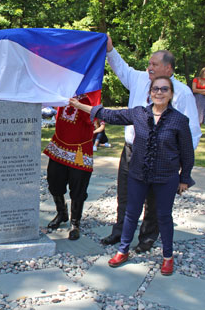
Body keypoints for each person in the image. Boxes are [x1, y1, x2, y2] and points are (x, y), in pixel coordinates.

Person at [70, 76, 194, 275]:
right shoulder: (139, 114)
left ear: (171, 94)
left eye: (164, 89)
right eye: (155, 89)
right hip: (138, 174)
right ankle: (123, 250)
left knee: (163, 217)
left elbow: (187, 152)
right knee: (131, 213)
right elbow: (109, 115)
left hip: (166, 177)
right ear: (150, 92)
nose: (159, 92)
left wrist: (185, 178)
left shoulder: (179, 120)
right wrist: (80, 105)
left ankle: (168, 257)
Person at [100, 35, 201, 253]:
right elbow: (121, 68)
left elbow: (192, 132)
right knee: (125, 194)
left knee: (154, 201)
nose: (149, 68)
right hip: (131, 152)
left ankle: (147, 237)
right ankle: (120, 232)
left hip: (162, 157)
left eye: (154, 64)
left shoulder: (182, 93)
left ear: (169, 69)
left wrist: (183, 165)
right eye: (149, 63)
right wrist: (110, 49)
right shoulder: (139, 79)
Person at [43, 92, 99, 240]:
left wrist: (81, 103)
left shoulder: (92, 95)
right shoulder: (63, 89)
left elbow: (94, 115)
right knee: (53, 181)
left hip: (80, 149)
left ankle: (75, 223)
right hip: (59, 145)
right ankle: (62, 213)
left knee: (78, 187)